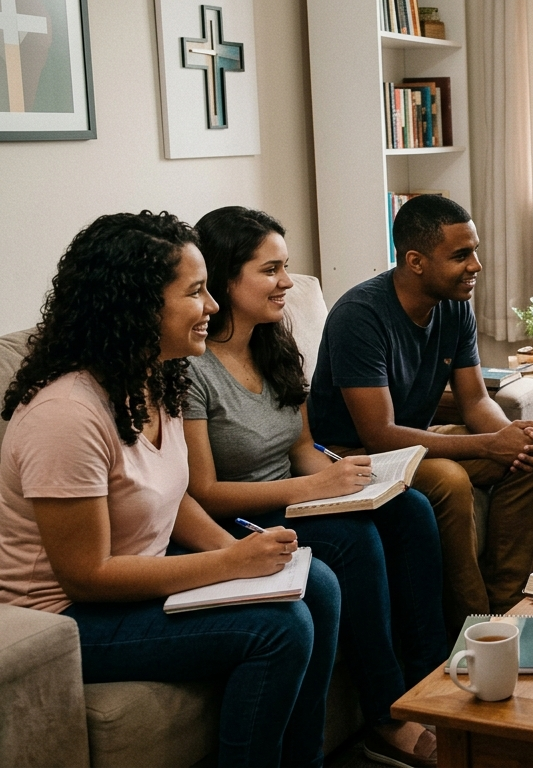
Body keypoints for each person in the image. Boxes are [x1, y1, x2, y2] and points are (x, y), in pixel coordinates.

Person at [0, 211, 339, 767]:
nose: (211, 308)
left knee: (316, 583)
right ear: (138, 304)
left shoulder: (158, 375)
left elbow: (172, 495)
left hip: (139, 572)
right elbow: (87, 576)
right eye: (196, 292)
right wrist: (231, 566)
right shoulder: (66, 414)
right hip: (64, 618)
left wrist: (235, 551)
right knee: (278, 628)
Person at [186, 207, 443, 767]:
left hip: (293, 495)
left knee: (411, 509)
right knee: (354, 542)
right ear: (226, 279)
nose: (286, 283)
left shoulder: (275, 343)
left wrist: (346, 476)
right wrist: (314, 489)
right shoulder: (192, 369)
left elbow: (302, 448)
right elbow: (202, 491)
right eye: (270, 270)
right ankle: (384, 717)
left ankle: (434, 685)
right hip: (236, 518)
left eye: (286, 267)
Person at [308, 194, 533, 628]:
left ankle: (510, 602)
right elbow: (380, 435)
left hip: (413, 443)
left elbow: (475, 400)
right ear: (416, 261)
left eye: (474, 251)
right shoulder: (359, 316)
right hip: (352, 456)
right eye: (461, 255)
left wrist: (509, 439)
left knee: (529, 457)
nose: (475, 265)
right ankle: (476, 625)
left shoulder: (455, 305)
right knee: (449, 479)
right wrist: (489, 445)